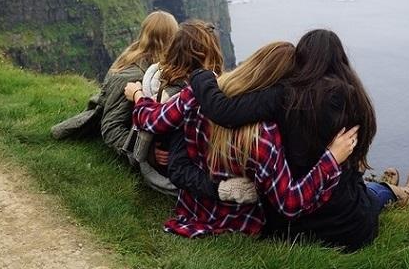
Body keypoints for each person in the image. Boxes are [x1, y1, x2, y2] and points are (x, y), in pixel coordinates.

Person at [190, 29, 409, 250]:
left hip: (284, 228)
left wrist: (201, 75)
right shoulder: (356, 101)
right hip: (345, 226)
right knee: (363, 192)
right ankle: (403, 192)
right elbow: (353, 163)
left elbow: (224, 111)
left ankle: (391, 187)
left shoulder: (282, 97)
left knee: (355, 188)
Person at [125, 41, 360, 238]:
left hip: (192, 209)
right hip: (241, 222)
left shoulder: (197, 93)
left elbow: (150, 120)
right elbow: (289, 203)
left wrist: (138, 95)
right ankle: (386, 191)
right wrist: (331, 159)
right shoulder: (264, 135)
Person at [123, 20, 226, 196]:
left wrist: (137, 95)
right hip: (209, 165)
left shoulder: (173, 88)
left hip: (182, 171)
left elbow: (152, 120)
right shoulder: (219, 87)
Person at [98, 10, 179, 153]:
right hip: (137, 134)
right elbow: (111, 128)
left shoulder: (148, 63)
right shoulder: (132, 76)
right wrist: (146, 152)